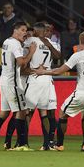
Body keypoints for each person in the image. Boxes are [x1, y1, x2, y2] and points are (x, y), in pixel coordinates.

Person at [0, 22, 36, 151]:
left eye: (26, 30)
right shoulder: (15, 44)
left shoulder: (7, 41)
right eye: (22, 30)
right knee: (21, 110)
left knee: (5, 111)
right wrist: (31, 52)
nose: (25, 32)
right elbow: (21, 63)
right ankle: (21, 144)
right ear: (15, 30)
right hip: (13, 82)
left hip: (4, 80)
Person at [22, 22, 61, 150]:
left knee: (40, 111)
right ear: (41, 31)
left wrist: (48, 44)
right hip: (40, 79)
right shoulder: (39, 41)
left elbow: (58, 57)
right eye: (45, 30)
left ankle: (44, 143)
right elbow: (58, 57)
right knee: (37, 112)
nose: (47, 32)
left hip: (42, 79)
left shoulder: (45, 42)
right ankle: (29, 142)